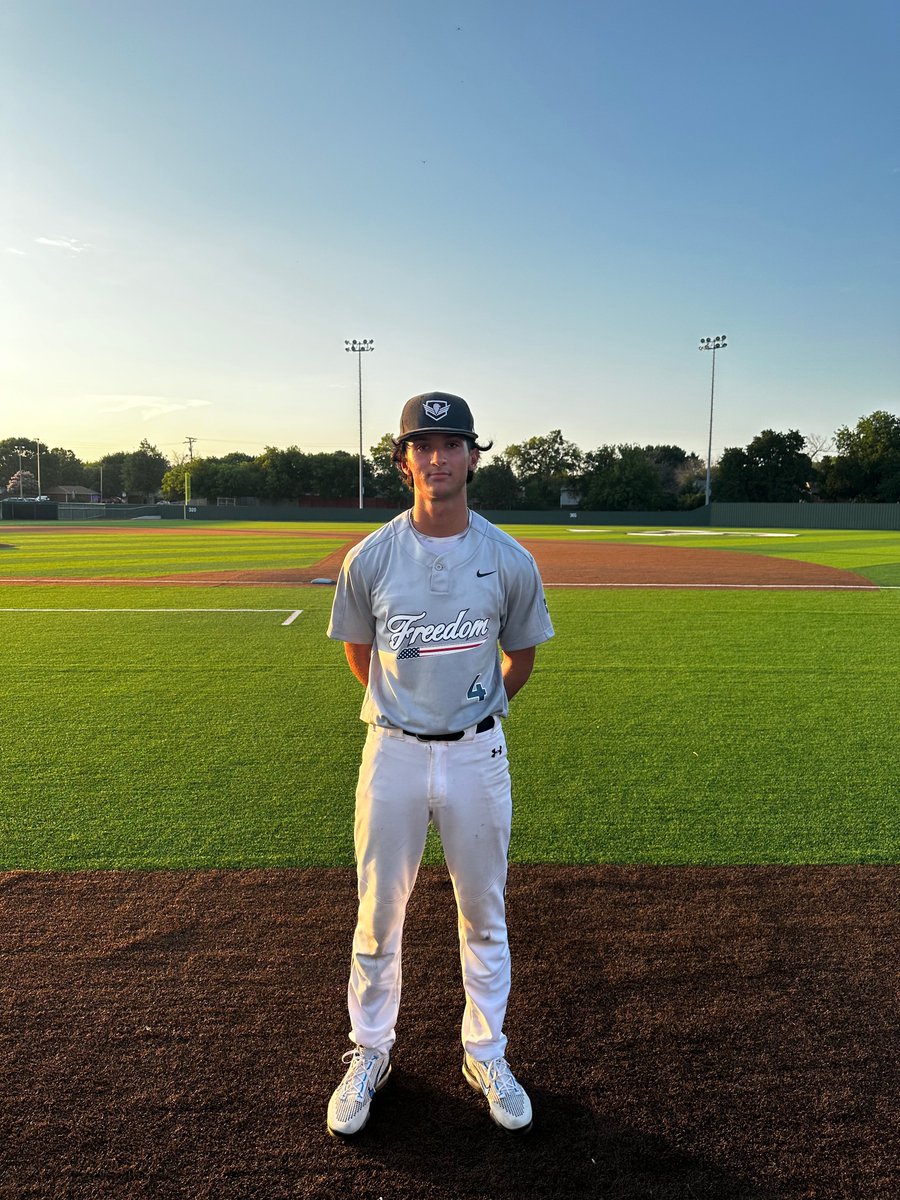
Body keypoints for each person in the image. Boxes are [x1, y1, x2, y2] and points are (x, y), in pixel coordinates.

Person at [325, 391, 554, 1137]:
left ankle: (486, 1050)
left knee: (483, 913)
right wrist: (413, 711)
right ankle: (370, 1052)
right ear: (404, 461)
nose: (438, 457)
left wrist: (471, 707)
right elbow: (363, 657)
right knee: (376, 915)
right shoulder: (372, 557)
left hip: (477, 755)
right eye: (423, 445)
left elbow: (520, 655)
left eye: (452, 444)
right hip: (390, 752)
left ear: (472, 458)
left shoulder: (508, 558)